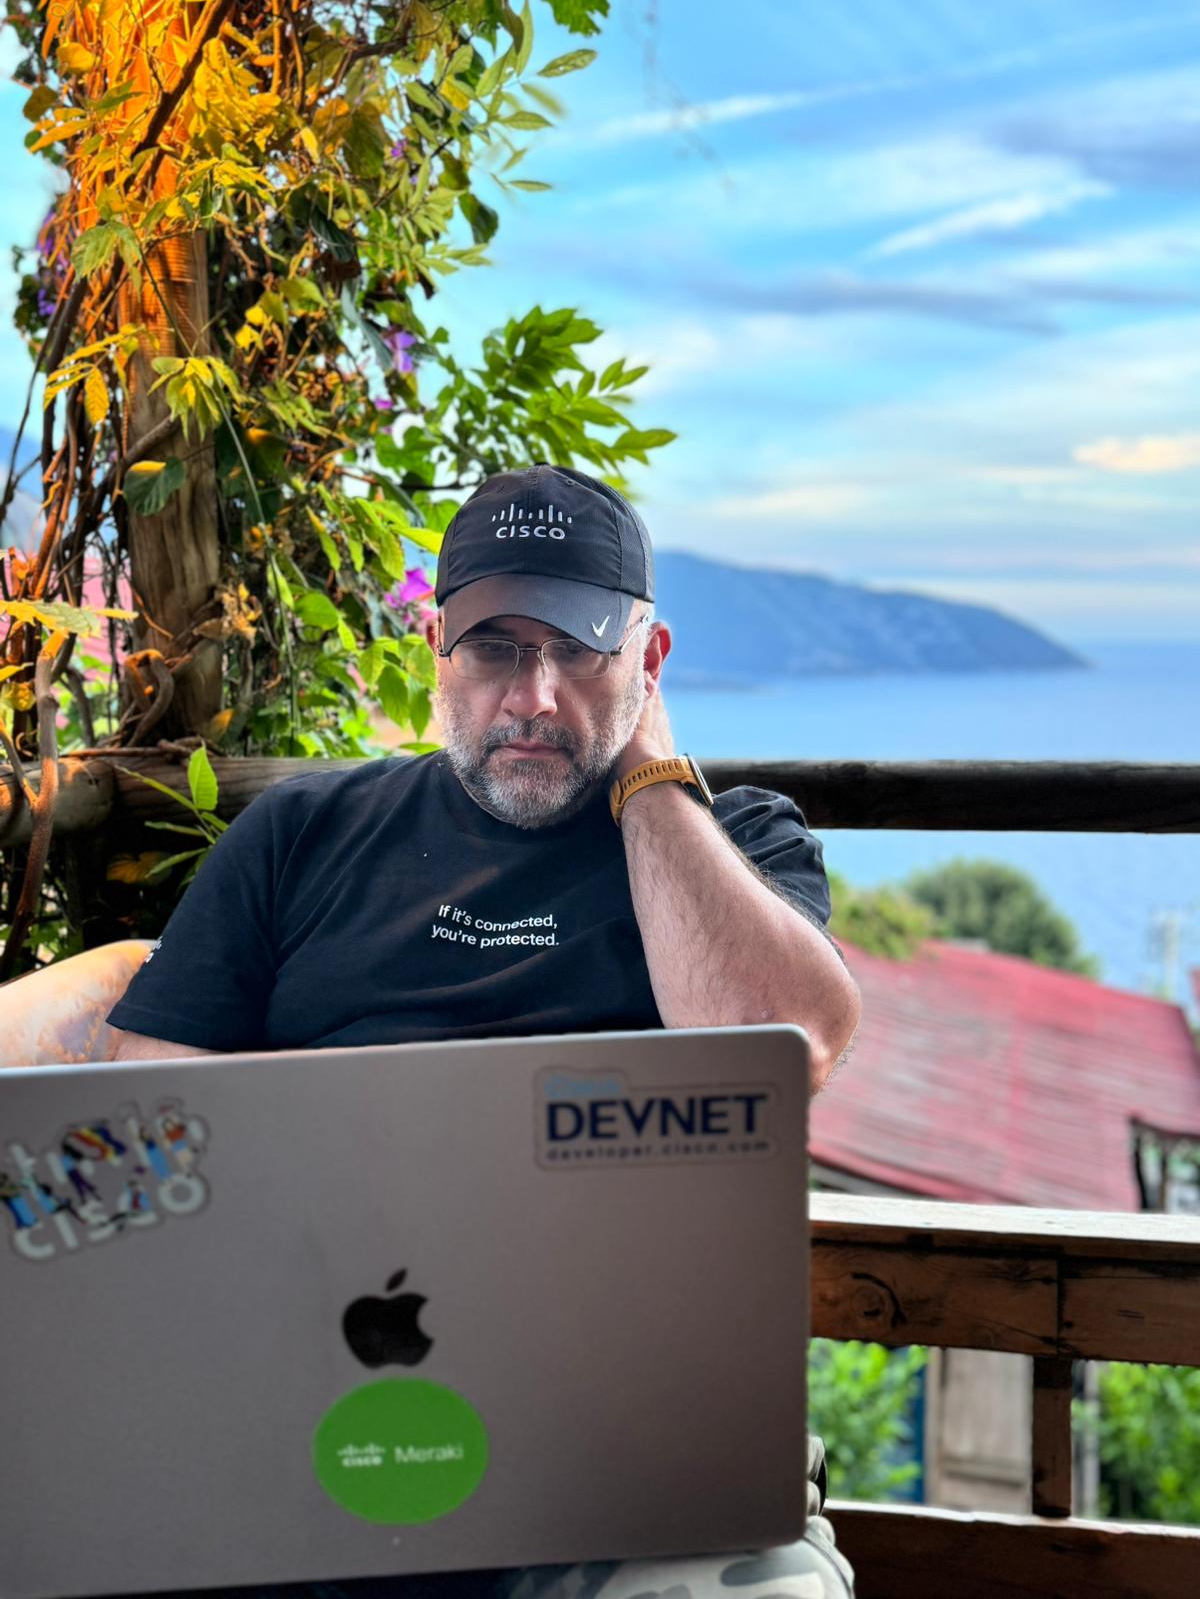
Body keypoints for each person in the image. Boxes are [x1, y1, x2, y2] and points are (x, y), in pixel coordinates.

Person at [107, 464, 862, 1599]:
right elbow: (148, 1115)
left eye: (581, 650)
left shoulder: (737, 845)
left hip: (639, 1460)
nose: (536, 697)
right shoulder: (299, 836)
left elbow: (783, 1042)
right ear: (439, 652)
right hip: (316, 1413)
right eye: (498, 648)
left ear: (650, 663)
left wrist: (651, 778)